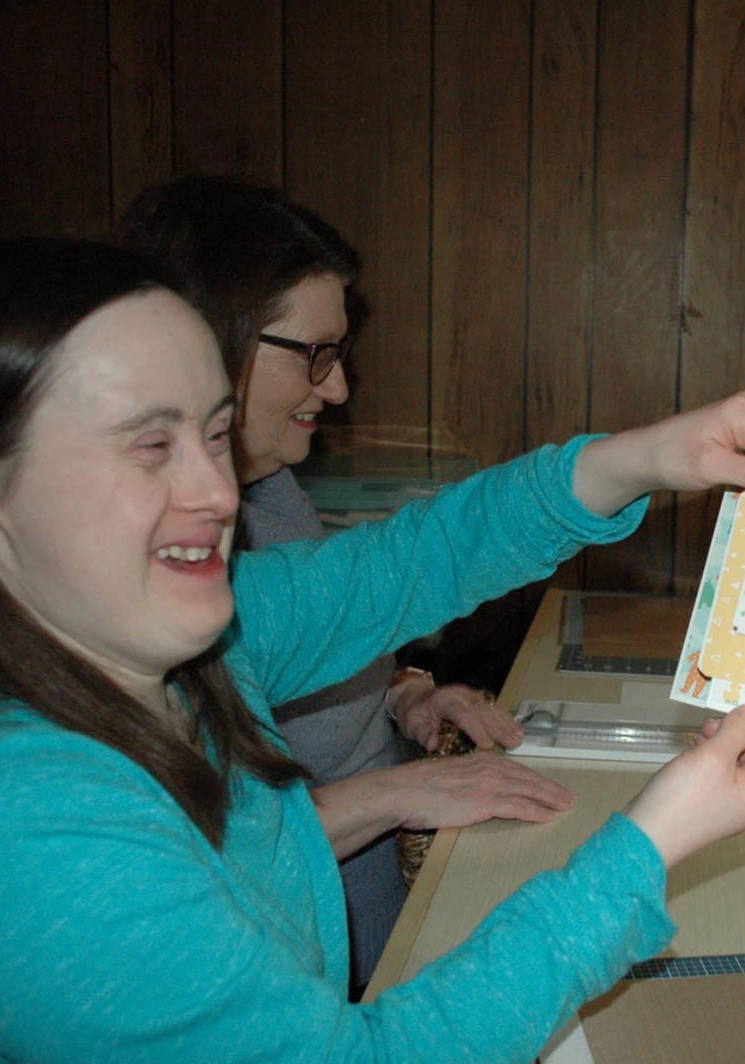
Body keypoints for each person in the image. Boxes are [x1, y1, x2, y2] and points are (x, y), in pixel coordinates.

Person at [0, 238, 745, 1062]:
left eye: (215, 434)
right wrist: (643, 847)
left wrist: (648, 457)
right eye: (150, 445)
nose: (216, 491)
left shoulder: (181, 651)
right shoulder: (13, 831)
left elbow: (413, 561)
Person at [117, 175, 565, 990]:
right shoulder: (168, 568)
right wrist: (396, 792)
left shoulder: (275, 491)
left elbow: (324, 646)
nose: (339, 388)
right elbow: (202, 858)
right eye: (316, 354)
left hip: (386, 917)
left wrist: (405, 693)